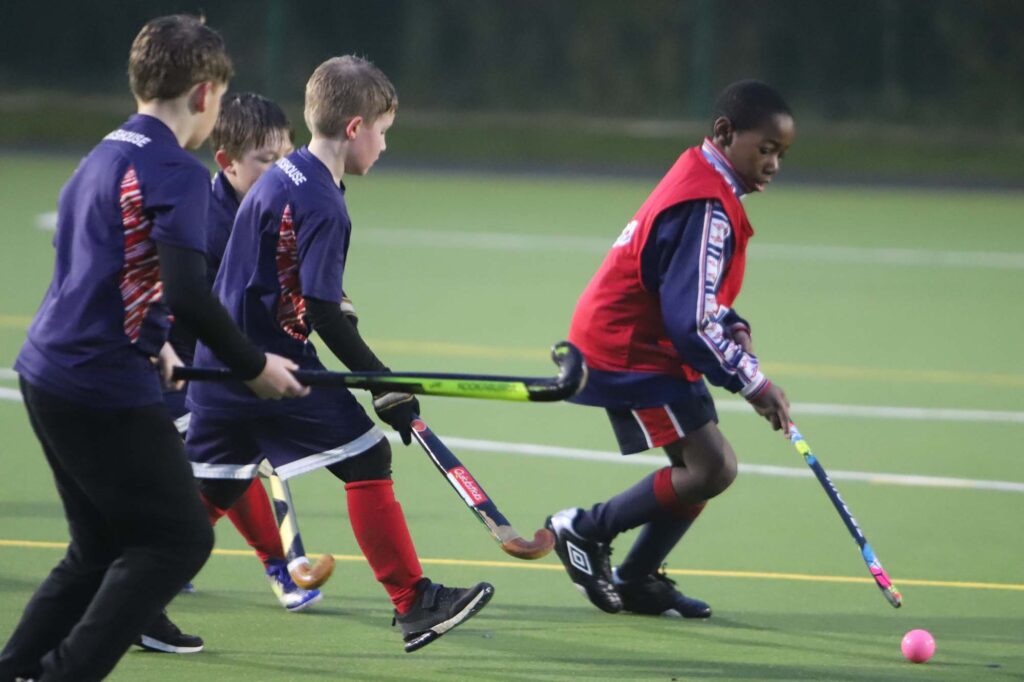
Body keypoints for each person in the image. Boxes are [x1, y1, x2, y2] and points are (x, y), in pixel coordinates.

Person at [0, 15, 308, 681]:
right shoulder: (175, 169)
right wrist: (253, 365)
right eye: (219, 100)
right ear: (203, 94)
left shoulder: (104, 153)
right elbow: (189, 290)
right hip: (98, 383)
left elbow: (99, 264)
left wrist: (153, 340)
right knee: (178, 539)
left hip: (49, 371)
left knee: (99, 547)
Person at [184, 55, 494, 653]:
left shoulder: (285, 173)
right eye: (383, 132)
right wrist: (383, 382)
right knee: (367, 456)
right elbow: (323, 312)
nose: (384, 146)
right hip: (272, 369)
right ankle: (414, 602)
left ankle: (130, 592)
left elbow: (293, 280)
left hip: (221, 367)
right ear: (355, 128)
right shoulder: (324, 202)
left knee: (214, 493)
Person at [546, 80, 795, 619]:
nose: (774, 164)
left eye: (781, 154)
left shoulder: (706, 179)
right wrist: (754, 384)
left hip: (651, 340)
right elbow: (690, 323)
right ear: (725, 133)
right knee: (711, 468)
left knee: (704, 464)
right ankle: (583, 529)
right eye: (766, 149)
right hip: (629, 347)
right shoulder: (707, 203)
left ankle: (636, 579)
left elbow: (689, 289)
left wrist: (732, 322)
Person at [161, 92, 323, 613]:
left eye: (286, 156)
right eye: (265, 160)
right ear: (227, 163)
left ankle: (160, 559)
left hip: (230, 355)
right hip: (177, 364)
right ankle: (278, 563)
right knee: (234, 461)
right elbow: (193, 306)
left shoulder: (276, 205)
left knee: (212, 468)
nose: (280, 170)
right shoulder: (204, 220)